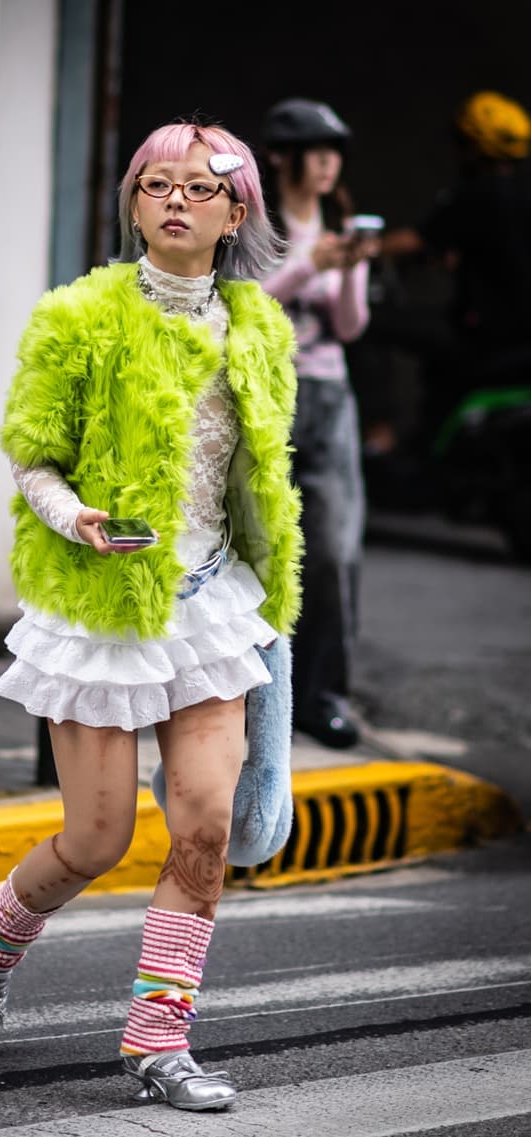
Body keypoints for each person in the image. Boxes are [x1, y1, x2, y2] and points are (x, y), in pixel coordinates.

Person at [0, 120, 303, 1112]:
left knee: (199, 832)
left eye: (198, 187)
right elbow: (29, 452)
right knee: (96, 839)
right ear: (131, 204)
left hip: (212, 610)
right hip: (102, 611)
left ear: (236, 211)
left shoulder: (259, 331)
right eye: (155, 184)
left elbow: (264, 486)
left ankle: (158, 1043)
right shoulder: (79, 318)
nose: (174, 199)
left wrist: (271, 605)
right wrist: (73, 517)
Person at [259, 97, 379, 749]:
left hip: (329, 395)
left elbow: (351, 328)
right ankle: (249, 695)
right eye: (316, 152)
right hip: (266, 389)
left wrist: (353, 268)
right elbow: (248, 303)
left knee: (333, 550)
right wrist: (313, 265)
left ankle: (324, 694)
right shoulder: (258, 229)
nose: (328, 165)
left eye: (335, 153)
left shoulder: (339, 225)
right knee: (255, 550)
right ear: (280, 156)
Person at [380, 90, 531, 439]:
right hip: (522, 336)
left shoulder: (476, 194)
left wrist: (360, 248)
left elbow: (415, 241)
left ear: (474, 147)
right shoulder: (522, 192)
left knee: (376, 326)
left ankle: (383, 432)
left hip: (489, 338)